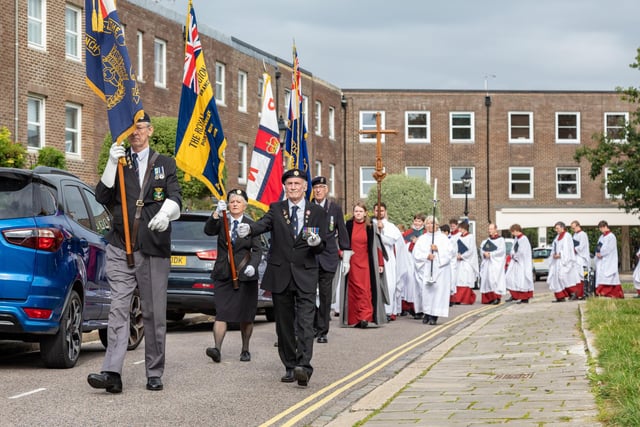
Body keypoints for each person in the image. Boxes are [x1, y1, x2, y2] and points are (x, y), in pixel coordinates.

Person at [88, 113, 182, 393]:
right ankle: (112, 373)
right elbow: (101, 197)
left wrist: (167, 213)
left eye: (140, 128)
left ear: (150, 130)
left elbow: (175, 197)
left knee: (153, 312)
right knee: (118, 309)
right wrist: (109, 162)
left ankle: (154, 371)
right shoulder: (120, 162)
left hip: (153, 248)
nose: (135, 134)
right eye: (131, 129)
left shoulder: (164, 163)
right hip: (120, 246)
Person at [236, 168, 328, 387]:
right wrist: (248, 229)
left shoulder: (316, 212)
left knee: (305, 323)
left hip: (305, 273)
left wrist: (317, 243)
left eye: (297, 184)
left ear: (305, 187)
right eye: (290, 184)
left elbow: (320, 244)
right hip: (280, 274)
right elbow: (263, 225)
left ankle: (303, 366)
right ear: (285, 188)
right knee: (284, 325)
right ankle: (289, 365)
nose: (294, 188)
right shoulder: (277, 209)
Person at [203, 189, 263, 363]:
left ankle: (245, 349)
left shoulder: (252, 225)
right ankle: (217, 349)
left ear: (245, 205)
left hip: (245, 275)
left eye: (238, 201)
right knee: (221, 313)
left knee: (246, 314)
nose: (234, 204)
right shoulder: (222, 221)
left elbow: (257, 250)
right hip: (224, 273)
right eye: (231, 201)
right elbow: (208, 230)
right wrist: (215, 214)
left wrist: (252, 265)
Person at [310, 176, 351, 344]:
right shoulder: (308, 207)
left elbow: (341, 230)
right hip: (310, 256)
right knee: (309, 294)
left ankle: (322, 331)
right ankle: (311, 326)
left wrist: (346, 256)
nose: (318, 190)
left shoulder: (334, 208)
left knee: (326, 296)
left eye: (321, 187)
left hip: (328, 257)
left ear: (326, 189)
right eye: (316, 187)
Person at [339, 202, 387, 328]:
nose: (358, 213)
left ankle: (365, 317)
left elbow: (377, 247)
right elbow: (341, 241)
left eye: (360, 211)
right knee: (354, 289)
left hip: (366, 262)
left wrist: (380, 263)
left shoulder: (371, 226)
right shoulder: (348, 225)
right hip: (352, 261)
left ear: (365, 213)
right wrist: (341, 253)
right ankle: (355, 318)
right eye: (356, 211)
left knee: (365, 289)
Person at [373, 202, 413, 321]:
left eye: (381, 211)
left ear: (385, 212)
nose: (379, 213)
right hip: (373, 258)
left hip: (387, 259)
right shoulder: (370, 224)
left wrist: (381, 232)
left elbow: (391, 241)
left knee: (389, 285)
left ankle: (388, 311)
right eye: (376, 211)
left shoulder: (390, 226)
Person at [412, 215, 452, 325]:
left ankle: (435, 314)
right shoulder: (422, 239)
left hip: (439, 270)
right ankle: (427, 312)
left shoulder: (443, 238)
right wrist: (426, 256)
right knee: (426, 293)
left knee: (437, 293)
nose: (430, 226)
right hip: (426, 269)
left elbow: (449, 253)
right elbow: (416, 254)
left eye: (433, 223)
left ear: (437, 225)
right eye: (428, 223)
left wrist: (438, 249)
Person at [547, 221, 583, 302]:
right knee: (556, 278)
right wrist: (553, 254)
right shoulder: (557, 237)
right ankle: (560, 296)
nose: (556, 230)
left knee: (564, 277)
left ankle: (573, 292)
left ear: (562, 228)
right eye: (555, 228)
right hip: (557, 261)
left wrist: (561, 255)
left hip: (565, 261)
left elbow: (567, 249)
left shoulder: (567, 236)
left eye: (557, 228)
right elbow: (554, 247)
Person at [401, 213, 426, 316]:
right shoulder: (408, 233)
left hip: (421, 262)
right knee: (410, 283)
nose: (417, 223)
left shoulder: (425, 233)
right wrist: (410, 243)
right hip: (410, 260)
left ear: (423, 222)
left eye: (419, 221)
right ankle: (411, 307)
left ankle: (421, 308)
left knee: (420, 284)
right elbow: (402, 246)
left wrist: (418, 242)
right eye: (415, 220)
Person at [450, 220, 478, 305]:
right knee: (458, 279)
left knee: (465, 279)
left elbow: (471, 250)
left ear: (465, 228)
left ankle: (466, 299)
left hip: (466, 262)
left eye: (461, 228)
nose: (459, 230)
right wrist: (456, 254)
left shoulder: (470, 237)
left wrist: (462, 256)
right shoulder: (458, 237)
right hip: (458, 262)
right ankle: (458, 298)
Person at [504, 224, 534, 304]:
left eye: (513, 232)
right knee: (510, 278)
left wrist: (515, 255)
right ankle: (514, 295)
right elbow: (513, 249)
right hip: (515, 263)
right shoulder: (517, 239)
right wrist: (512, 254)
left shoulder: (524, 239)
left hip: (522, 263)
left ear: (516, 230)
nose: (512, 234)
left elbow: (522, 252)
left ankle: (524, 298)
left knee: (521, 280)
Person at [594, 220, 624, 298]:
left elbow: (609, 248)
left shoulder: (611, 236)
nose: (601, 230)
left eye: (601, 228)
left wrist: (602, 253)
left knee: (608, 275)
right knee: (601, 275)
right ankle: (600, 292)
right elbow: (598, 246)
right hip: (601, 260)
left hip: (609, 259)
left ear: (605, 227)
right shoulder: (601, 237)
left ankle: (612, 293)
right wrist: (597, 252)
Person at [479, 223, 506, 305]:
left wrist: (491, 254)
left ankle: (496, 297)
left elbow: (501, 251)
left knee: (494, 280)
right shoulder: (487, 240)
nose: (489, 230)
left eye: (491, 229)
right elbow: (482, 249)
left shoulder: (501, 240)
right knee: (487, 280)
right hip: (487, 263)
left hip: (495, 264)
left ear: (495, 229)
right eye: (489, 229)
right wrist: (484, 254)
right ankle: (488, 298)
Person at [570, 220, 590, 297]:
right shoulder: (575, 235)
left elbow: (582, 246)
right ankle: (578, 293)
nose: (573, 229)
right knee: (577, 276)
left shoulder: (583, 234)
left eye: (574, 228)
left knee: (584, 275)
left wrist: (574, 249)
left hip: (582, 258)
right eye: (572, 228)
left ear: (578, 226)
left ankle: (585, 292)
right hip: (576, 258)